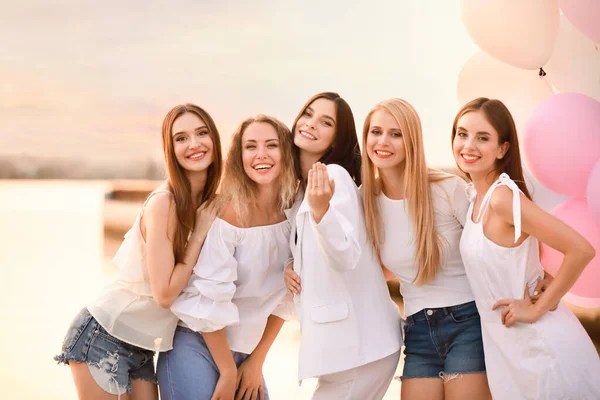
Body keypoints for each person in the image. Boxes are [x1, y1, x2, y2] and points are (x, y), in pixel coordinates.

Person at [54, 103, 223, 399]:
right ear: (170, 149)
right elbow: (165, 293)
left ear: (215, 140)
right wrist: (199, 233)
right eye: (181, 138)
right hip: (104, 334)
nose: (193, 144)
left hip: (144, 344)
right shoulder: (164, 204)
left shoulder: (208, 203)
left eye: (201, 133)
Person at [453, 97, 600, 399]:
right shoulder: (474, 199)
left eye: (483, 138)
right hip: (510, 352)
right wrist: (542, 274)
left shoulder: (502, 198)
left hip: (544, 351)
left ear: (503, 149)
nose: (468, 145)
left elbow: (581, 249)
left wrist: (536, 309)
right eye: (462, 133)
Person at [158, 115, 297, 400]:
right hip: (198, 345)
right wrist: (228, 370)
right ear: (238, 156)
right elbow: (209, 300)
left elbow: (285, 300)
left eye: (271, 145)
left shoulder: (293, 213)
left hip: (246, 355)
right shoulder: (227, 214)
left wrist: (257, 360)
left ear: (286, 153)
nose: (261, 154)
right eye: (250, 146)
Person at [361, 98, 492, 399]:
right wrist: (294, 265)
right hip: (418, 329)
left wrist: (539, 278)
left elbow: (495, 243)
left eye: (395, 134)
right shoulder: (364, 202)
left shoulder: (448, 189)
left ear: (412, 141)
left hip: (468, 321)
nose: (383, 141)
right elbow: (369, 266)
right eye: (376, 131)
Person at [283, 92, 402, 400]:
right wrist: (291, 265)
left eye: (325, 122)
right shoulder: (304, 189)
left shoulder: (334, 177)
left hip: (359, 350)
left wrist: (322, 212)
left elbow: (346, 254)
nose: (310, 124)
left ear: (337, 140)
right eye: (308, 114)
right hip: (349, 349)